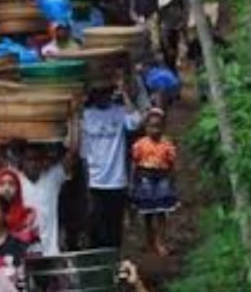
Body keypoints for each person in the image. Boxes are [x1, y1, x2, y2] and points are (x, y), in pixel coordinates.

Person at [80, 83, 143, 250]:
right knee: (96, 226)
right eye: (99, 93)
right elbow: (83, 153)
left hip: (117, 180)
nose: (103, 96)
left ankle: (114, 263)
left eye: (106, 92)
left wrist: (124, 92)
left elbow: (136, 122)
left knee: (114, 226)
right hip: (95, 181)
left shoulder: (120, 111)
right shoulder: (86, 116)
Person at [16, 138, 79, 258]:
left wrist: (75, 120)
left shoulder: (52, 178)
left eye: (37, 159)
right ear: (22, 161)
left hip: (50, 253)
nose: (33, 164)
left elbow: (74, 153)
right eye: (29, 159)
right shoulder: (15, 180)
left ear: (42, 161)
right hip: (23, 254)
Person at [130, 108, 179, 256]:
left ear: (163, 127)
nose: (155, 130)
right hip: (145, 177)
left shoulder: (167, 144)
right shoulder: (139, 145)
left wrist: (172, 181)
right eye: (151, 126)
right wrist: (133, 182)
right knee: (147, 212)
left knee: (162, 212)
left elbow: (171, 164)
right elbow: (135, 164)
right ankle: (149, 240)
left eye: (158, 126)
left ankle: (161, 241)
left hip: (162, 177)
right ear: (145, 128)